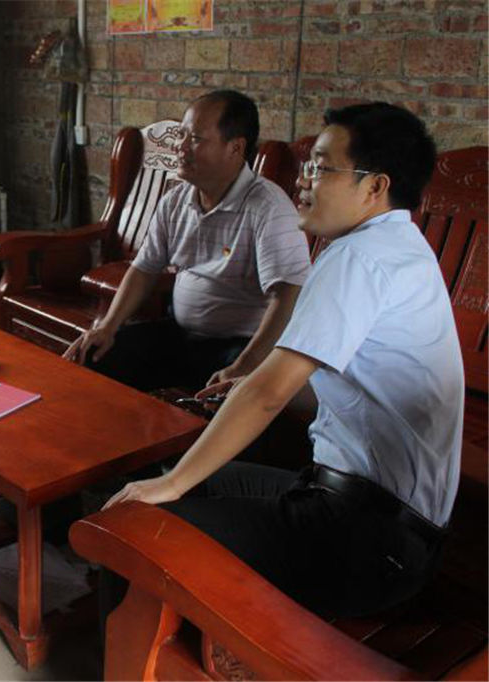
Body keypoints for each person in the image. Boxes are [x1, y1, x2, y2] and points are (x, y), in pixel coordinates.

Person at [103, 102, 461, 619]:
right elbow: (347, 389)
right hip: (382, 522)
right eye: (309, 165)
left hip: (367, 537)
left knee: (140, 524)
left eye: (322, 167)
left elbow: (269, 392)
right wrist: (242, 390)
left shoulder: (358, 257)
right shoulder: (399, 245)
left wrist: (171, 484)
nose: (303, 179)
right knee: (186, 478)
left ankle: (136, 650)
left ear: (374, 186)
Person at [64, 90, 311, 392]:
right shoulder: (176, 200)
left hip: (238, 346)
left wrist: (246, 365)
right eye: (181, 135)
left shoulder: (268, 207)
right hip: (180, 334)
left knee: (223, 395)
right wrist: (107, 326)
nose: (180, 148)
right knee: (95, 355)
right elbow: (144, 269)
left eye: (194, 139)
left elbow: (289, 293)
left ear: (235, 148)